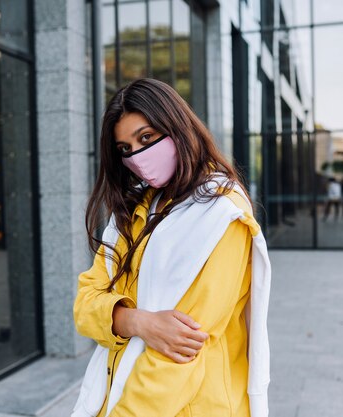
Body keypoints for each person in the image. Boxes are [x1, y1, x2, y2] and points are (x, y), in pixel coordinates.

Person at [71, 78, 272, 417]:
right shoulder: (133, 213)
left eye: (146, 137)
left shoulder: (221, 215)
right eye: (125, 149)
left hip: (191, 406)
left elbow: (180, 353)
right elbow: (84, 307)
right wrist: (138, 322)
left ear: (176, 126)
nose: (136, 156)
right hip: (117, 391)